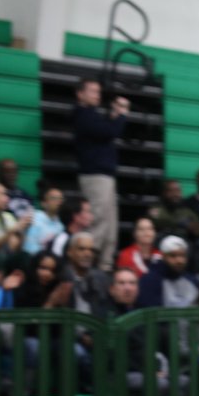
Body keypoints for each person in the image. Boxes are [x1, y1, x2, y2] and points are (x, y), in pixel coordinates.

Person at [72, 79, 128, 270]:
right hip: (95, 176)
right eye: (92, 91)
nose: (97, 94)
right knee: (98, 223)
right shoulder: (82, 114)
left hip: (105, 175)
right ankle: (85, 268)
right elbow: (109, 131)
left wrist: (114, 114)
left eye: (98, 91)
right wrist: (120, 115)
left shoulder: (92, 115)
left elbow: (105, 129)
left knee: (110, 227)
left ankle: (104, 268)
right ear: (80, 93)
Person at [22, 187, 65, 256]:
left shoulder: (61, 226)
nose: (58, 202)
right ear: (44, 203)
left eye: (60, 199)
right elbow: (29, 246)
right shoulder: (34, 217)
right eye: (54, 198)